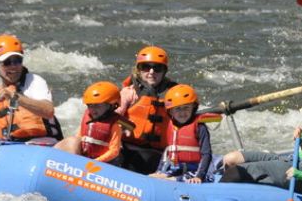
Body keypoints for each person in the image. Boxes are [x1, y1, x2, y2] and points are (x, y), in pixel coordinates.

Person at [0, 34, 63, 144]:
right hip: (11, 151)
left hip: (44, 146)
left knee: (71, 142)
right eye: (7, 62)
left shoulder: (34, 81)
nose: (13, 66)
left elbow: (48, 111)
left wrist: (15, 97)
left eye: (17, 60)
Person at [116, 45, 178, 174]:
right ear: (138, 70)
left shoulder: (174, 96)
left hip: (159, 154)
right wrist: (123, 126)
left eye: (157, 68)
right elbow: (112, 117)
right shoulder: (129, 92)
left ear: (164, 71)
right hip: (128, 148)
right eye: (146, 67)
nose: (151, 72)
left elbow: (188, 118)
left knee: (149, 159)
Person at [149, 84, 214, 183]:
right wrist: (159, 171)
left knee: (171, 180)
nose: (182, 112)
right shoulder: (170, 126)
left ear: (194, 107)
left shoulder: (200, 127)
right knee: (153, 177)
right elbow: (167, 152)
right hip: (176, 167)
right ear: (170, 111)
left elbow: (206, 154)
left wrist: (199, 176)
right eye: (178, 109)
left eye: (186, 108)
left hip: (195, 170)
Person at [53, 81, 127, 165]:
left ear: (111, 105)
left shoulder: (115, 124)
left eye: (97, 105)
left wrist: (95, 162)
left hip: (105, 162)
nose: (92, 109)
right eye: (89, 105)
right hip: (87, 157)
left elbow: (114, 151)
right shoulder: (88, 116)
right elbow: (80, 136)